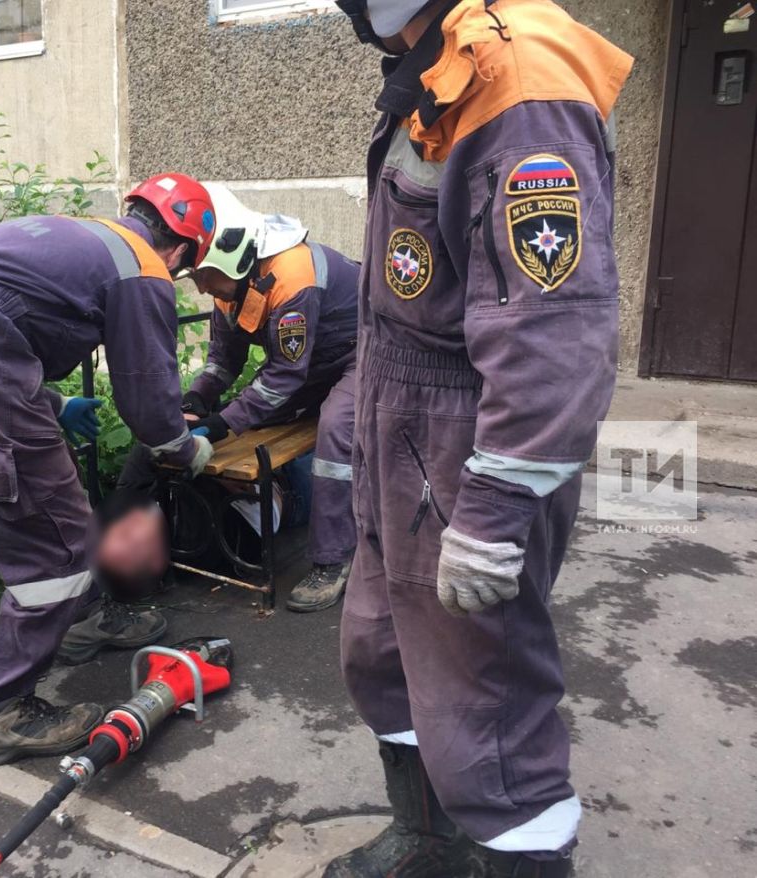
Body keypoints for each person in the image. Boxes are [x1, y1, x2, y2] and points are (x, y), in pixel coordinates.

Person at [327, 1, 632, 876]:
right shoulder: (438, 65)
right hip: (403, 435)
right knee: (380, 656)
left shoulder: (520, 86)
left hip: (466, 445)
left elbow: (555, 335)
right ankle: (428, 844)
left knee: (487, 717)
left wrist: (495, 514)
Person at [0, 174, 217, 767]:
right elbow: (148, 403)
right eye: (186, 267)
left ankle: (86, 623)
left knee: (50, 509)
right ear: (184, 250)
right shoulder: (143, 268)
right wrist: (186, 449)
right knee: (50, 541)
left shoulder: (84, 236)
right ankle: (2, 713)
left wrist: (55, 405)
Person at [184, 184, 360, 612]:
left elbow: (282, 378)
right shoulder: (232, 286)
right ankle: (279, 500)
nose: (203, 289)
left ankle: (333, 560)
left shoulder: (292, 276)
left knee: (336, 431)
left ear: (231, 254)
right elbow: (223, 362)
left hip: (364, 352)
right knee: (255, 421)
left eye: (203, 275)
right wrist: (195, 401)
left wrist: (221, 425)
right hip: (310, 364)